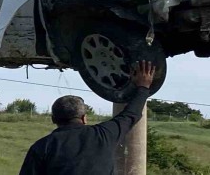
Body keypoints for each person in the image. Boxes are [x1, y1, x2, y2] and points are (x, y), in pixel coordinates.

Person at [19, 60, 156, 175]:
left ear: (53, 119)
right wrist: (143, 86)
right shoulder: (104, 134)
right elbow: (131, 114)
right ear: (84, 118)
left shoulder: (42, 147)